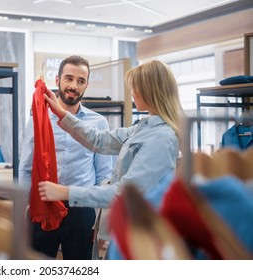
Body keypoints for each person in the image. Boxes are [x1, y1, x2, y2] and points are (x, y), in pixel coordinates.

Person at [39, 60, 183, 215]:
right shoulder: (145, 128)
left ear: (151, 92)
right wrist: (62, 113)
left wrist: (66, 192)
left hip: (138, 228)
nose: (132, 93)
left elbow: (125, 193)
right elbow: (99, 140)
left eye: (136, 88)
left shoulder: (162, 139)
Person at [19, 55, 114, 260]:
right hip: (44, 203)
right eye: (69, 78)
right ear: (57, 80)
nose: (74, 86)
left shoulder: (98, 123)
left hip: (82, 208)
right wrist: (27, 208)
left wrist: (98, 219)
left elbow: (104, 174)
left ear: (87, 85)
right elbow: (26, 168)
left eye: (80, 81)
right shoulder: (38, 119)